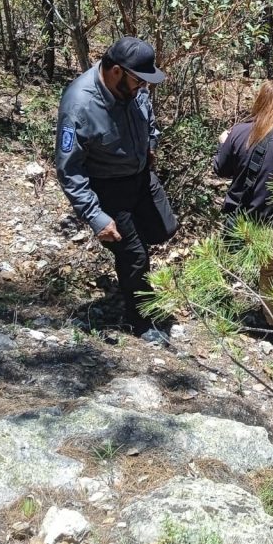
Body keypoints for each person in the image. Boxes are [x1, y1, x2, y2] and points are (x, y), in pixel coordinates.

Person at [55, 36, 177, 342]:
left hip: (140, 176)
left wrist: (151, 141)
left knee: (165, 228)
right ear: (117, 71)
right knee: (134, 256)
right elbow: (70, 171)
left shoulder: (135, 87)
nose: (143, 88)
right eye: (139, 81)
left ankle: (132, 265)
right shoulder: (79, 105)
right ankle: (141, 321)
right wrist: (96, 218)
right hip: (108, 186)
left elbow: (147, 116)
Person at [213, 78, 273, 336]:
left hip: (252, 225)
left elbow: (220, 169)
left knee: (267, 272)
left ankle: (271, 322)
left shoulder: (239, 132)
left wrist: (225, 142)